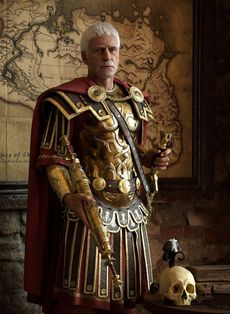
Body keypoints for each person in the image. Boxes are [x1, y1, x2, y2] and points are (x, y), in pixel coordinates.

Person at [24, 21, 171, 314]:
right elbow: (53, 160)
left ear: (119, 54)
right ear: (85, 57)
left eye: (113, 50)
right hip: (88, 209)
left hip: (130, 210)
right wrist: (68, 197)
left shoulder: (132, 99)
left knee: (125, 299)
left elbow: (128, 148)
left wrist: (151, 157)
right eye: (100, 50)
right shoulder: (66, 100)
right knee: (79, 300)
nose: (108, 56)